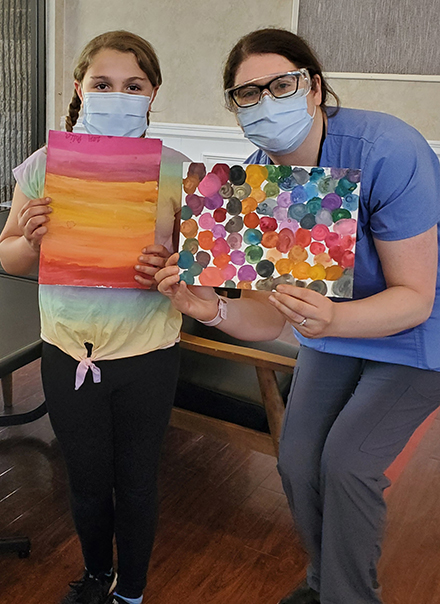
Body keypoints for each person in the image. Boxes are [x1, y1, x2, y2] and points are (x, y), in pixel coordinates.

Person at [154, 28, 440, 604]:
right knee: (298, 460)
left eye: (280, 84)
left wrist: (333, 321)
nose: (265, 103)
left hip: (418, 329)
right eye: (246, 94)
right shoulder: (259, 180)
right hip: (327, 326)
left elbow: (416, 297)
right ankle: (321, 585)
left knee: (348, 464)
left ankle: (349, 598)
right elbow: (267, 319)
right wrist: (212, 309)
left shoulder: (388, 149)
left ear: (312, 88)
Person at [0, 30, 188, 604]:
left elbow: (198, 271)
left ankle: (131, 589)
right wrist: (30, 240)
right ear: (79, 88)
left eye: (134, 85)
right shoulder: (42, 167)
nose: (118, 95)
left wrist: (174, 265)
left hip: (148, 352)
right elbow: (8, 254)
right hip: (68, 350)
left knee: (136, 482)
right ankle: (95, 574)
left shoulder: (177, 170)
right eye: (103, 84)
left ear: (152, 93)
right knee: (84, 482)